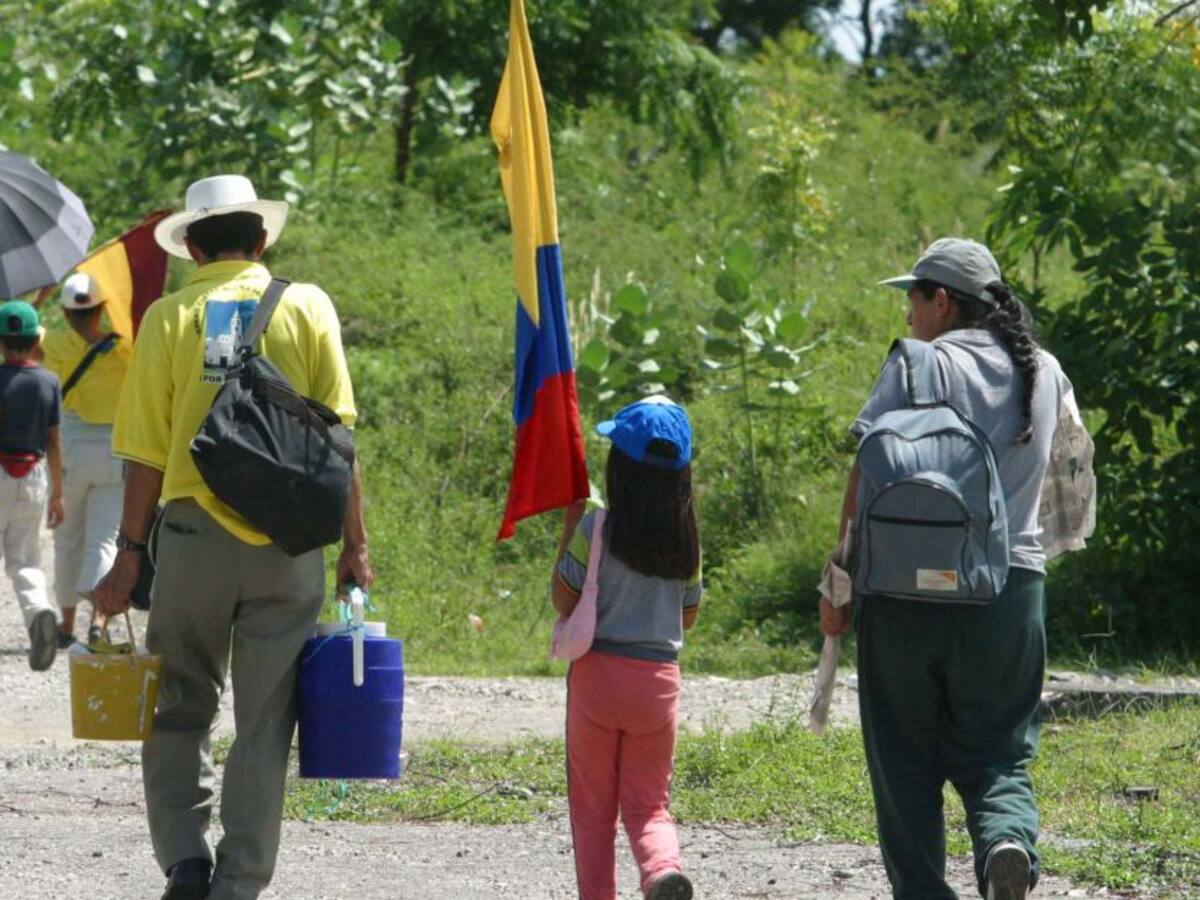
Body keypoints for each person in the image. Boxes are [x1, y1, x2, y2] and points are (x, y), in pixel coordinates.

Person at [92, 174, 373, 900]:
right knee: (265, 719)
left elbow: (146, 455)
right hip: (289, 545)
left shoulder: (166, 317)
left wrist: (126, 556)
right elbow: (338, 437)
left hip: (190, 541)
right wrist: (356, 548)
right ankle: (239, 884)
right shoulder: (307, 305)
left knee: (181, 702)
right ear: (261, 239)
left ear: (190, 245)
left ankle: (186, 859)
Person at [822, 238, 1077, 900]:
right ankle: (1006, 844)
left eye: (913, 296)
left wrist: (839, 579)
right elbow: (1069, 482)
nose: (906, 312)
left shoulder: (916, 365)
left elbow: (865, 476)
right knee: (1000, 751)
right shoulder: (1044, 371)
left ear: (942, 301)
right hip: (1007, 590)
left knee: (903, 757)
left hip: (904, 594)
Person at [552, 396, 702, 900]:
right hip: (657, 685)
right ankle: (662, 873)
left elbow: (563, 598)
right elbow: (689, 615)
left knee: (593, 812)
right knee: (648, 806)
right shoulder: (688, 540)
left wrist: (569, 530)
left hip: (597, 680)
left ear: (620, 469)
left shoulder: (596, 528)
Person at [39, 272, 130, 646]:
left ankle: (66, 625)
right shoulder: (126, 349)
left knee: (67, 540)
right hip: (113, 450)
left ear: (65, 311)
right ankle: (99, 622)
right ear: (102, 309)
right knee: (105, 540)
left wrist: (41, 295)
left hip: (70, 448)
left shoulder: (55, 344)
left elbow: (15, 334)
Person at [0, 300, 65, 671]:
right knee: (24, 560)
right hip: (35, 474)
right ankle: (40, 609)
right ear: (34, 337)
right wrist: (57, 492)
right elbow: (54, 440)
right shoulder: (48, 381)